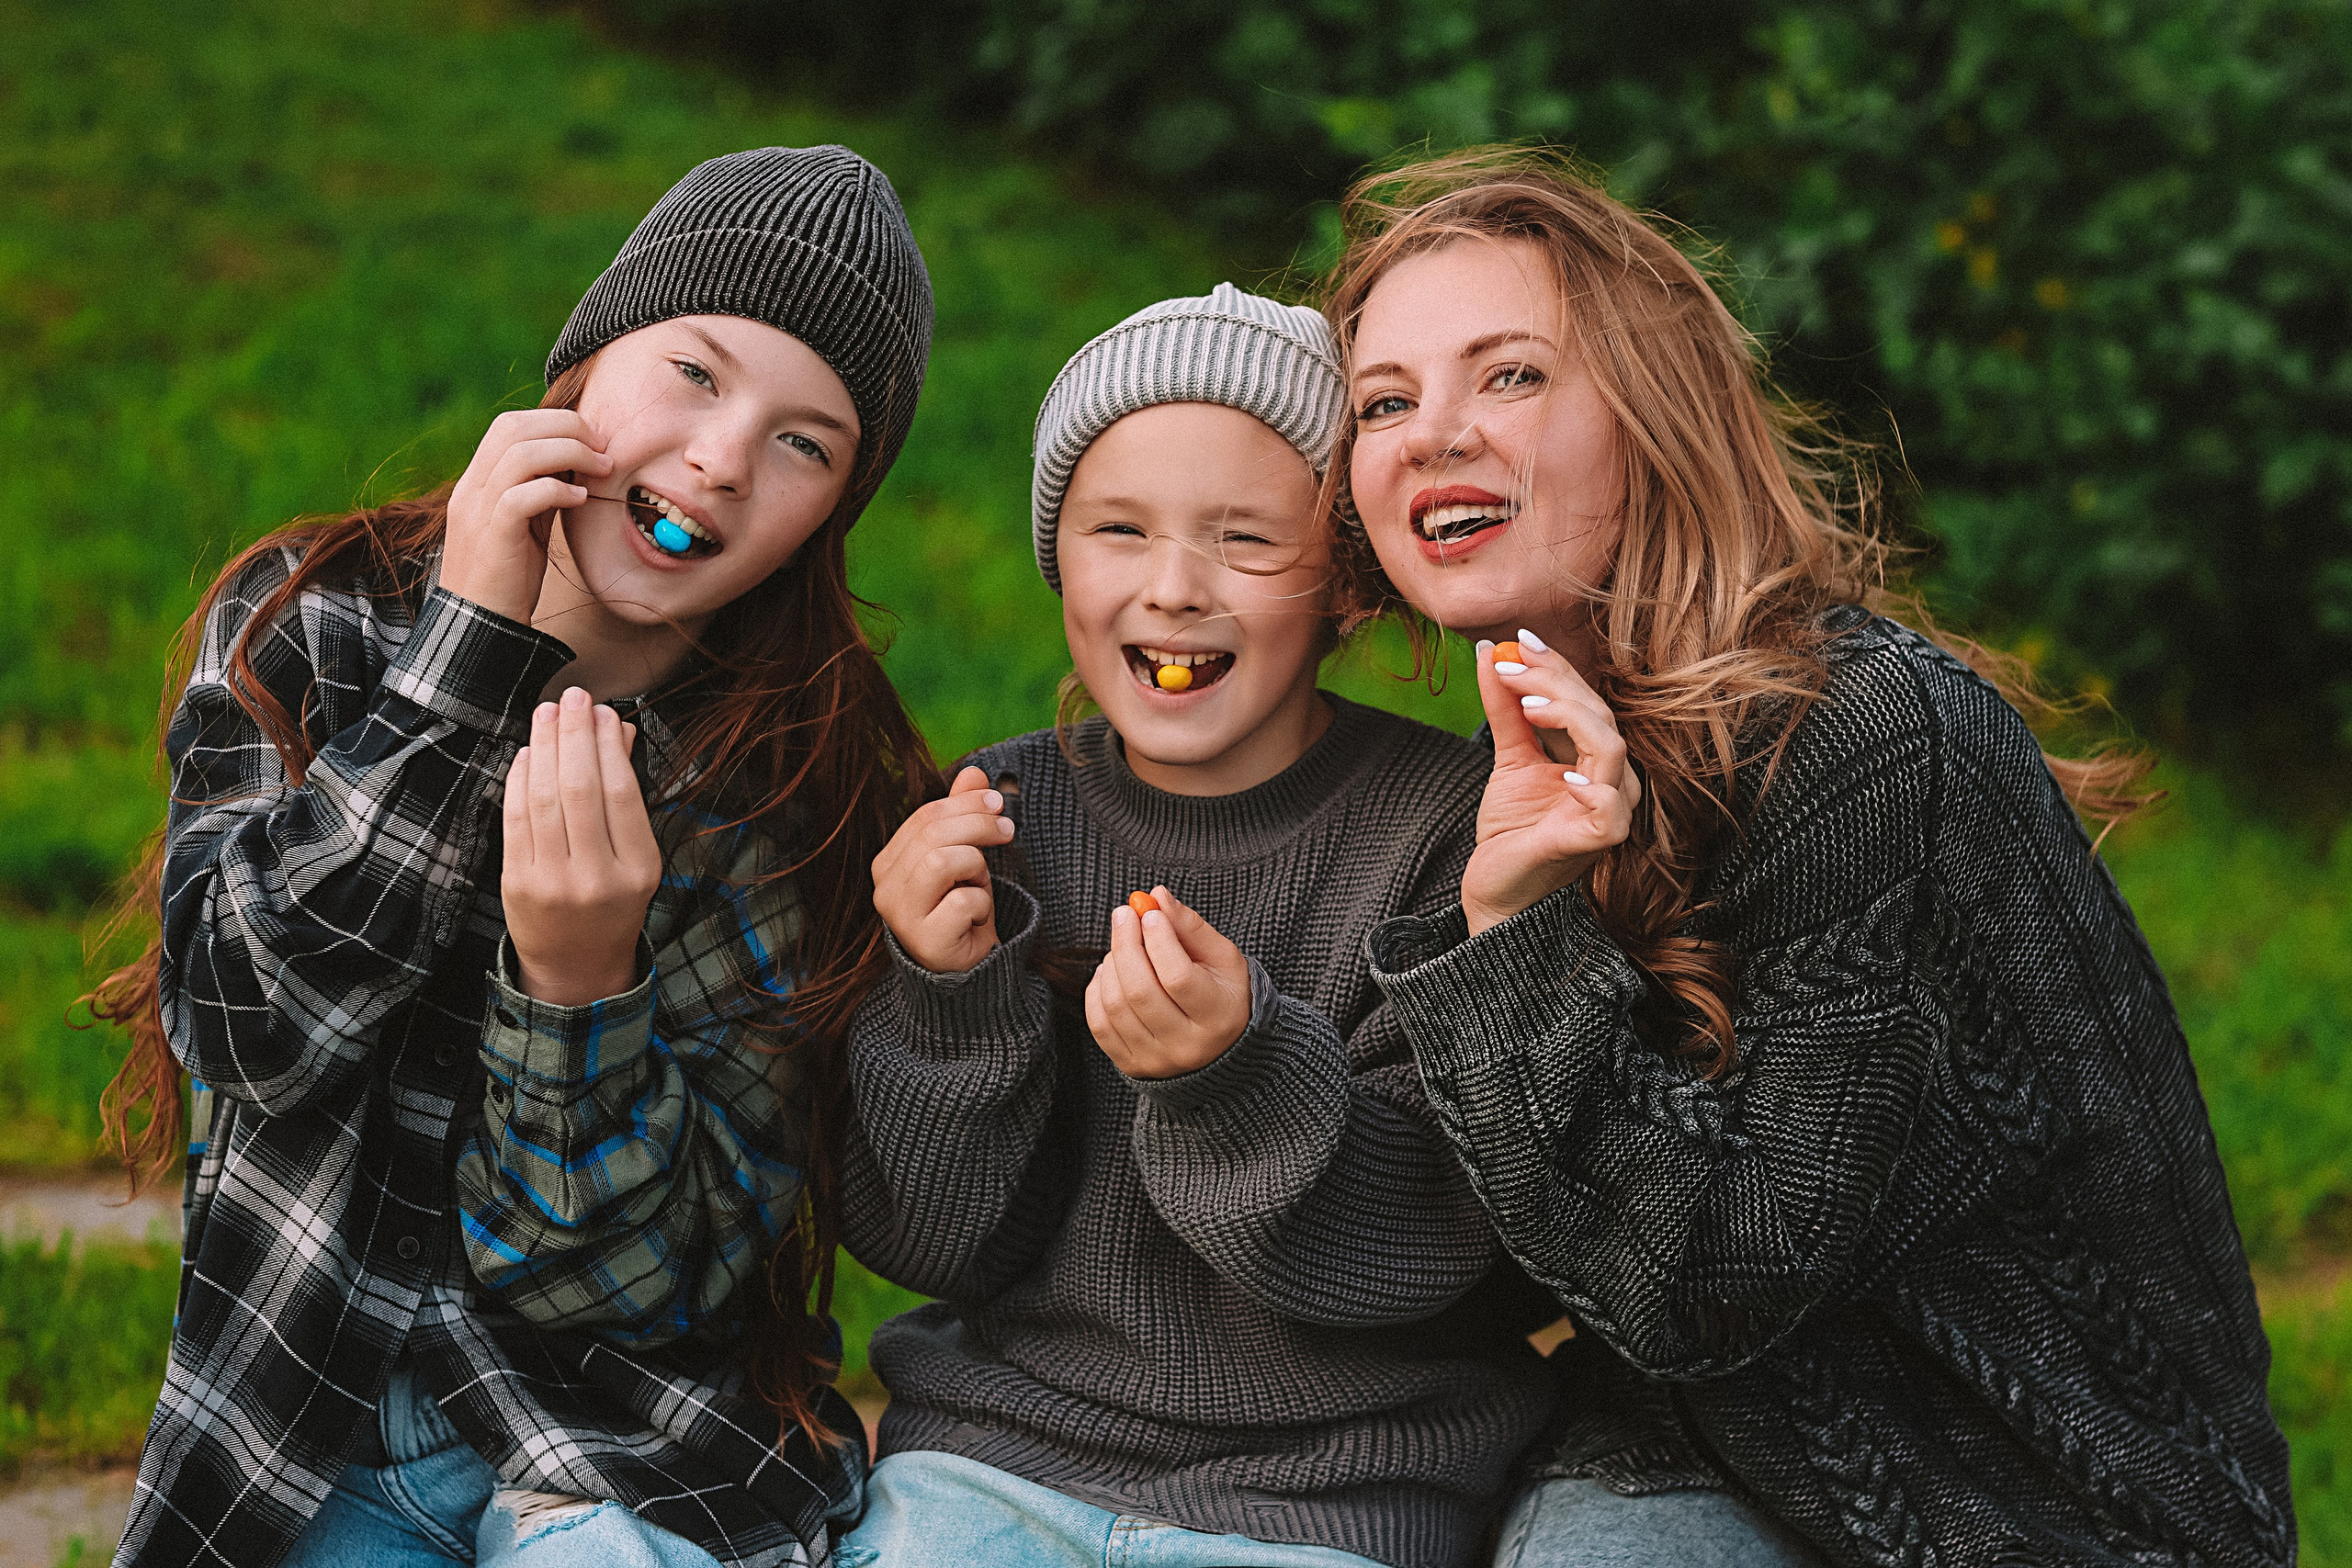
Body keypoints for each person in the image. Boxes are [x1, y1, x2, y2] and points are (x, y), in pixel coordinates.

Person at [1313, 147, 2294, 1567]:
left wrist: (1517, 936)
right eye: (1384, 403)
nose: (1432, 432)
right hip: (1713, 1439)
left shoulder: (1864, 740)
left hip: (2024, 1504)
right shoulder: (1529, 768)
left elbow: (1718, 1276)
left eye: (1509, 375)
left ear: (1652, 415)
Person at [85, 145, 937, 1568]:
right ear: (586, 364)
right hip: (294, 1441)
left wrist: (578, 989)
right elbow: (245, 1028)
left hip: (631, 1461)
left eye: (808, 442)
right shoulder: (322, 625)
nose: (722, 458)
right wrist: (462, 668)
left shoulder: (797, 781)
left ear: (830, 516)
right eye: (696, 373)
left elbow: (661, 1285)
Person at [832, 284, 1557, 1568]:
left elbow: (1437, 1254)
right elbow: (928, 1240)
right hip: (997, 1462)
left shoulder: (1449, 833)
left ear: (1345, 586)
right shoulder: (1000, 819)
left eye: (1242, 541)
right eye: (1120, 531)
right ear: (1062, 558)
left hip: (1334, 1491)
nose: (1173, 589)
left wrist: (1235, 1079)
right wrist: (946, 1003)